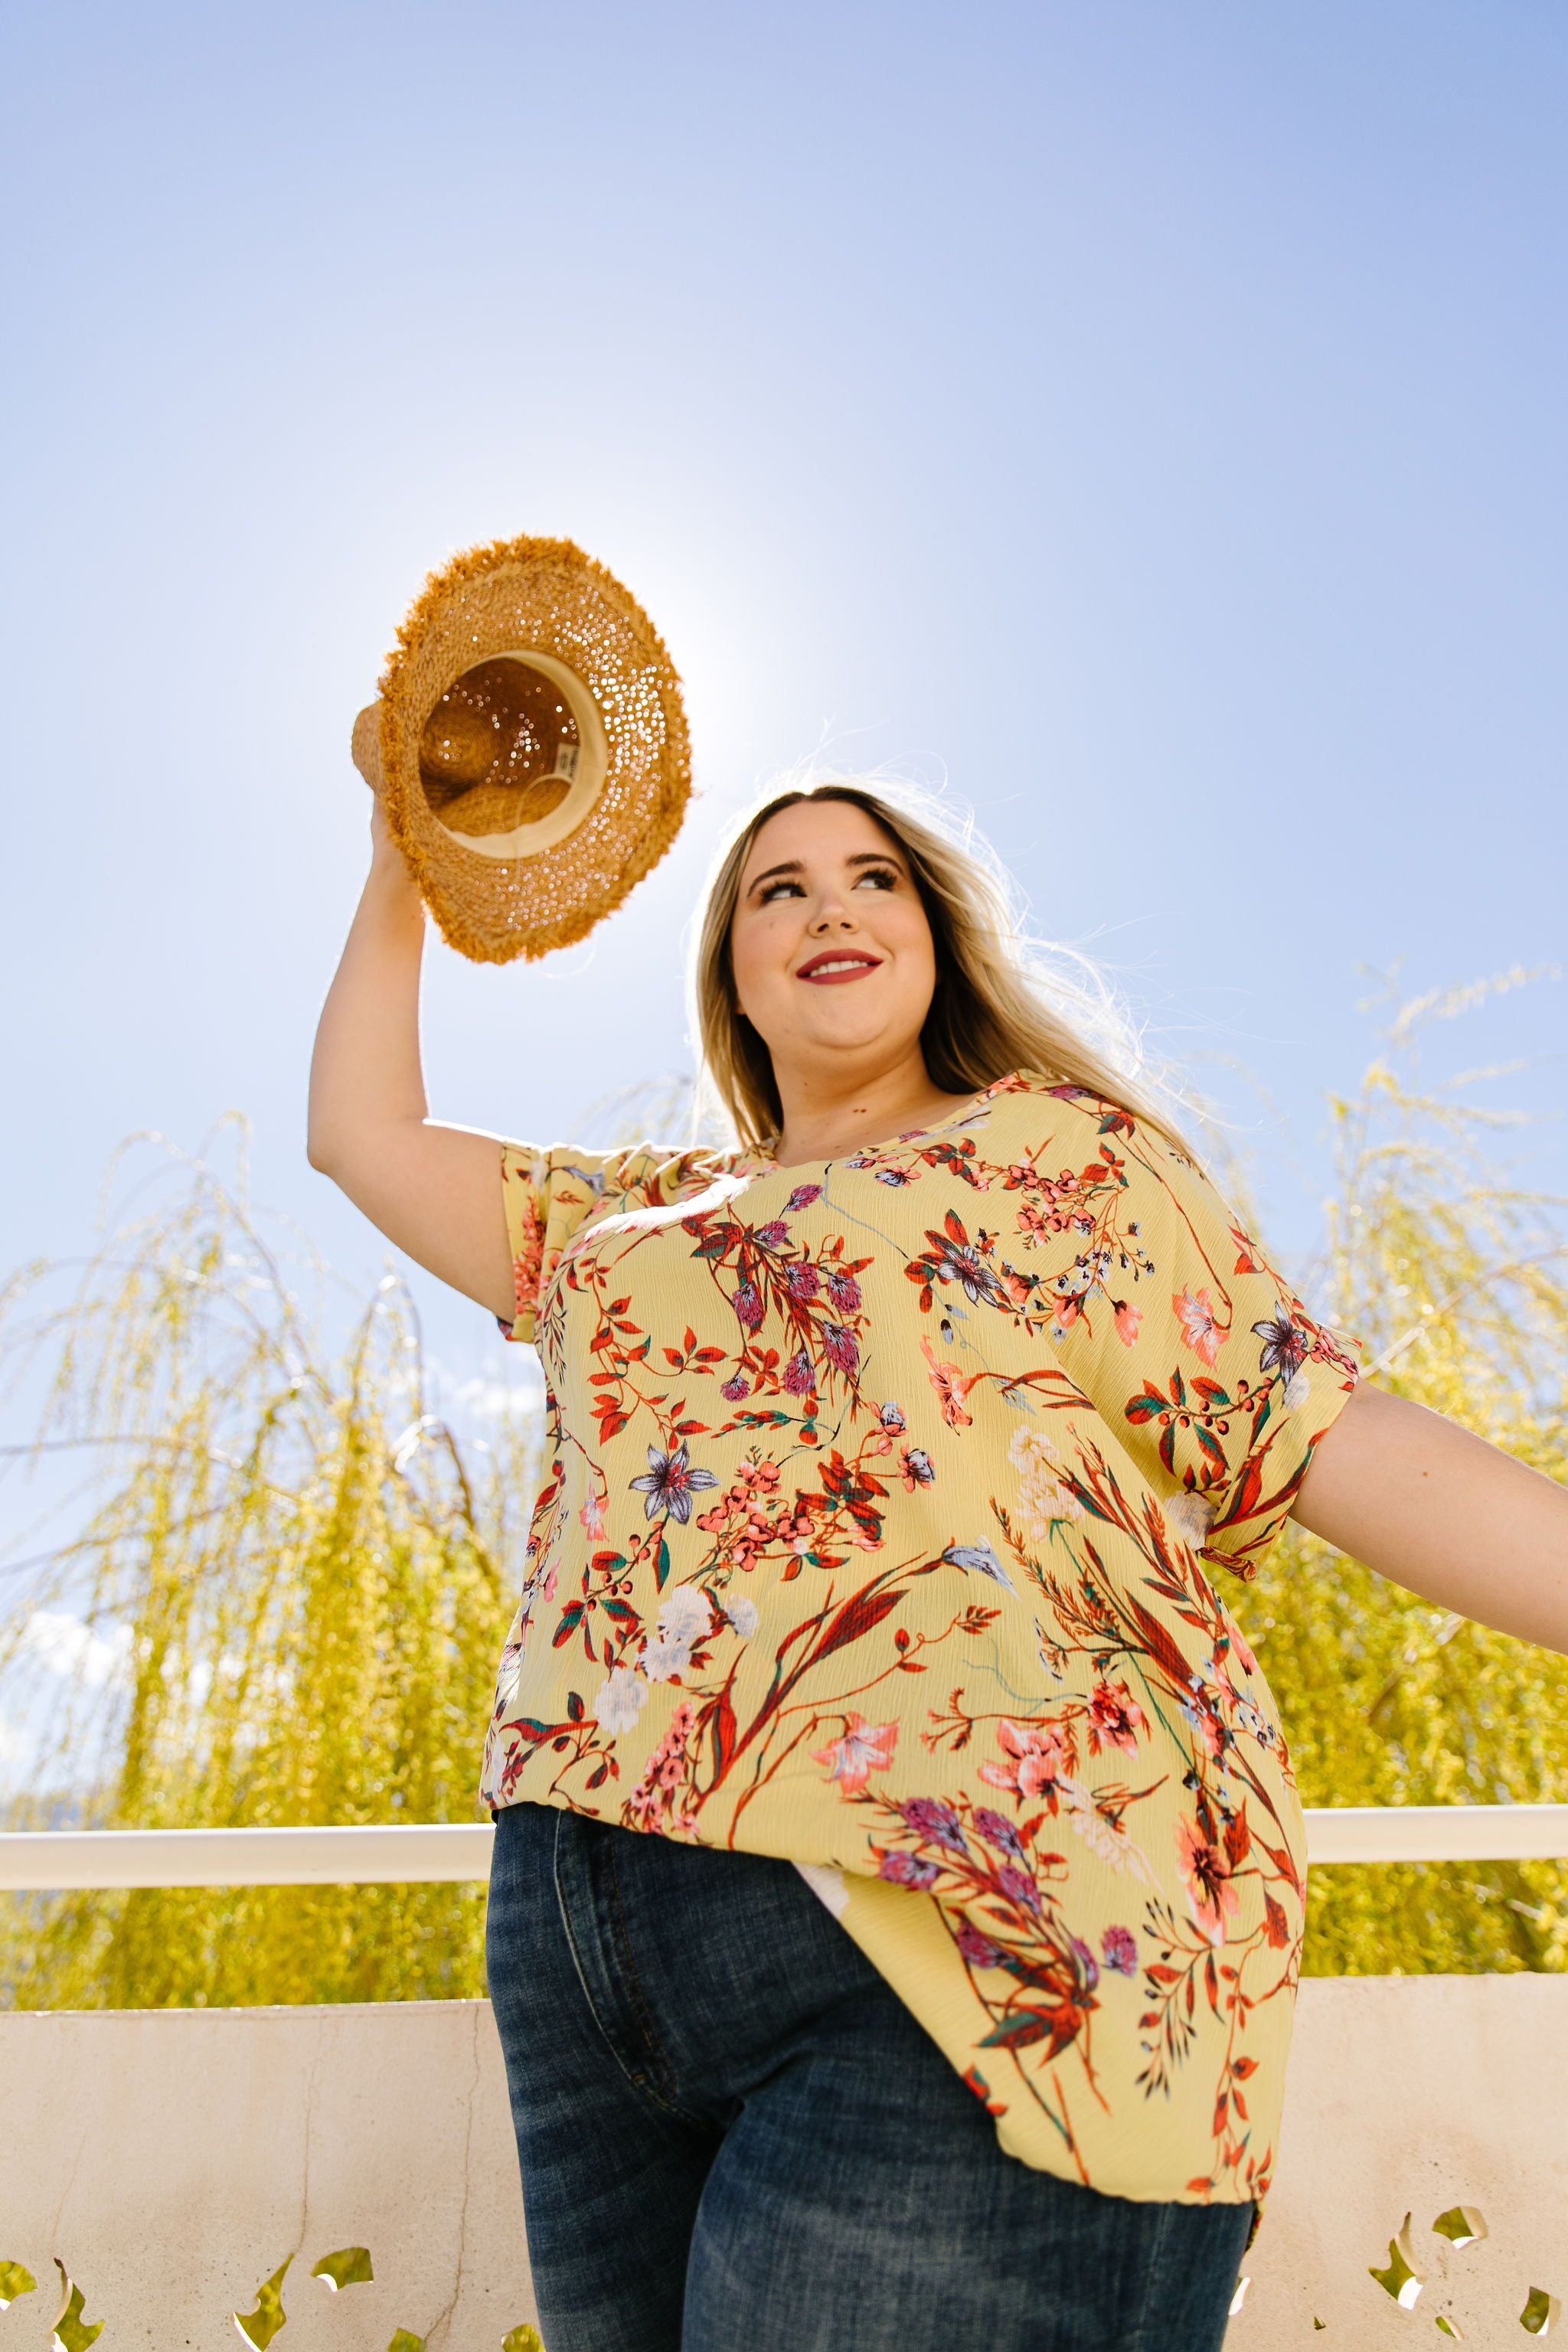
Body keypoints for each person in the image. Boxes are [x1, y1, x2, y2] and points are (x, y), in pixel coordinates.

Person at [308, 776, 1568, 2352]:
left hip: (973, 1903)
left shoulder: (1060, 1157)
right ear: (731, 972)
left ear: (933, 936)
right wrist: (402, 853)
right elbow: (359, 1134)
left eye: (872, 879)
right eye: (778, 890)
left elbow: (1323, 1435)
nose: (829, 907)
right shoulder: (626, 1217)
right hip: (591, 1931)